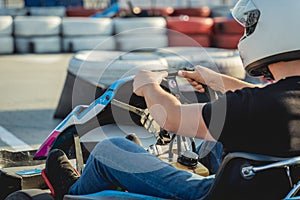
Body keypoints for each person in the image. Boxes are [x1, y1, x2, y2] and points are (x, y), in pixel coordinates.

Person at [45, 0, 300, 199]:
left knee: (110, 150)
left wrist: (147, 85)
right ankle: (137, 163)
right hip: (272, 187)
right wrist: (218, 81)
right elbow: (270, 98)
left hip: (215, 195)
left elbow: (172, 117)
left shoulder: (255, 107)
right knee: (213, 146)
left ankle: (72, 190)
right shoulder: (275, 103)